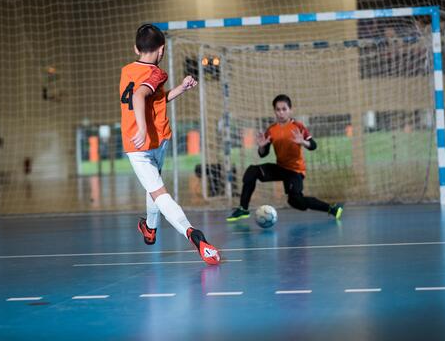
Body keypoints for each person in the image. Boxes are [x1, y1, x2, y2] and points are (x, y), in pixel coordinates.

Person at [120, 24, 220, 265]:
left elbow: (154, 99)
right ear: (162, 50)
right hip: (148, 142)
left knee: (154, 189)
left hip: (142, 144)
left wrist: (181, 89)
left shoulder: (126, 71)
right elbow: (140, 96)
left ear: (136, 48)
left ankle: (150, 229)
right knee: (158, 191)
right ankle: (192, 233)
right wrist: (143, 128)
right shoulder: (157, 73)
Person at [227, 94, 343, 222]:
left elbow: (313, 145)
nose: (281, 113)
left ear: (290, 110)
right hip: (280, 167)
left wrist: (303, 142)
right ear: (275, 111)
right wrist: (261, 147)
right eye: (278, 109)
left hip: (295, 171)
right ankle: (243, 209)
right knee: (252, 171)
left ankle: (332, 208)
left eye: (284, 109)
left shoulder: (298, 127)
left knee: (295, 201)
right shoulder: (271, 130)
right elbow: (263, 154)